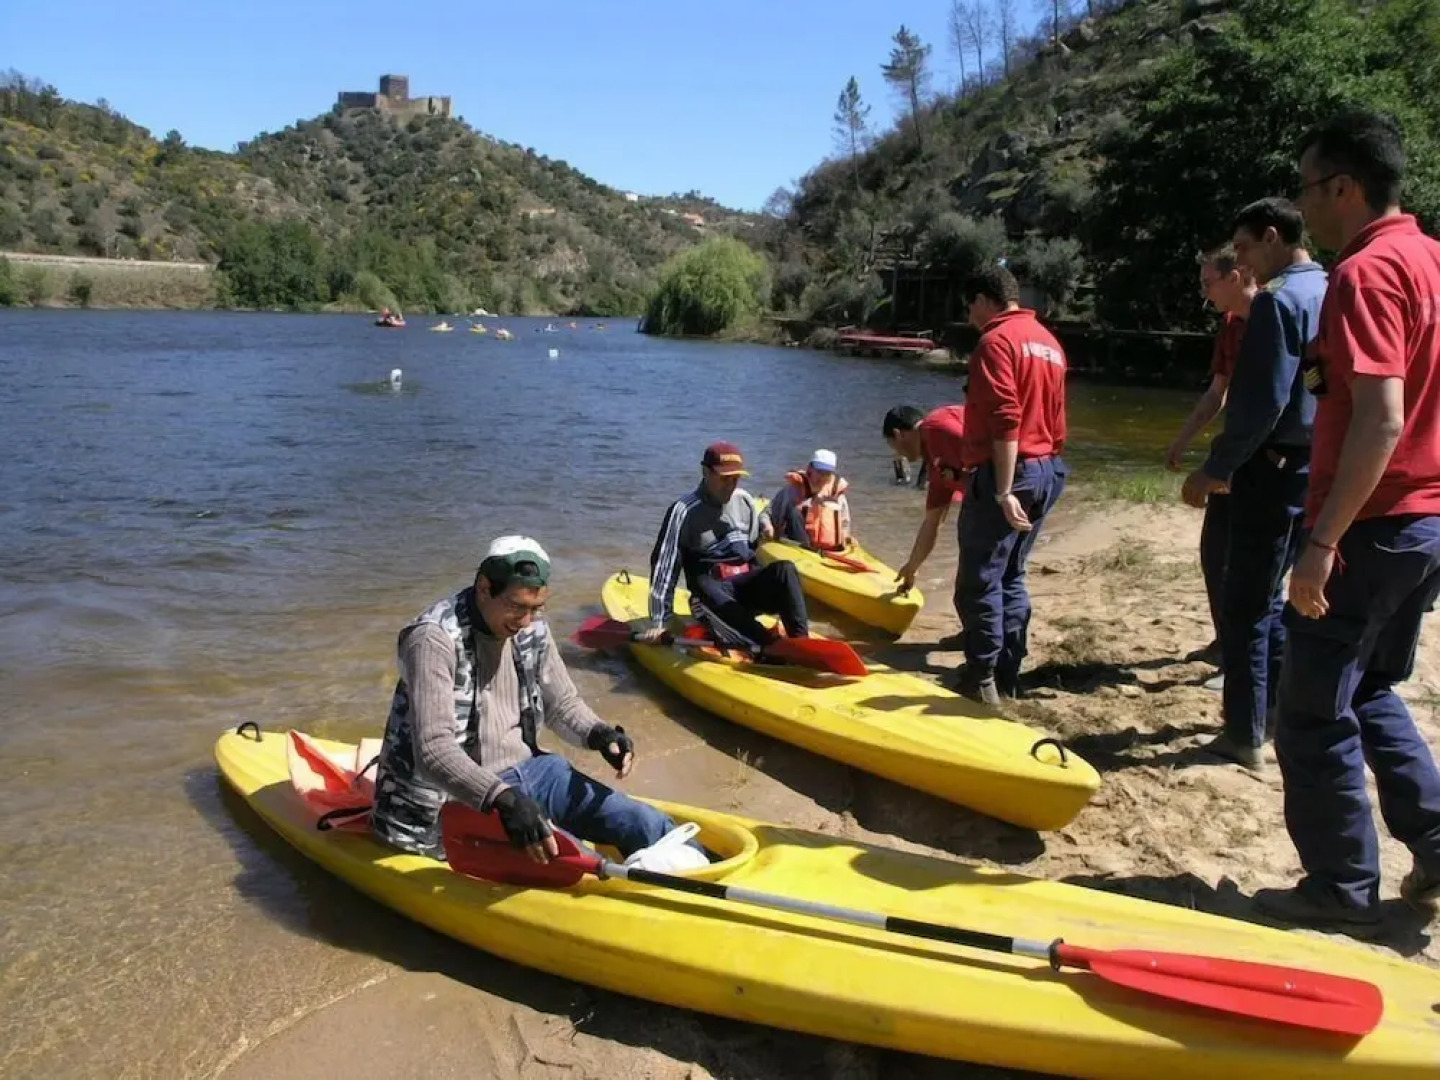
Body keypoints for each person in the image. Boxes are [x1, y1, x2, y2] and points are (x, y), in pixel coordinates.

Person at [1253, 109, 1440, 927]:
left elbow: (1380, 417)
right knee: (1367, 689)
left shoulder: (1367, 274)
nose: (1305, 208)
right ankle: (1436, 845)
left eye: (1307, 188)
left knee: (1309, 709)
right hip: (1424, 523)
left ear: (1343, 187)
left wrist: (1323, 540)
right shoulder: (1433, 260)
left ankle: (1340, 889)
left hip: (1369, 523)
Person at [371, 536, 690, 865]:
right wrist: (503, 799)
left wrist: (600, 735)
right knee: (574, 863)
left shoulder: (532, 626)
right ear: (484, 587)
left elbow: (562, 704)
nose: (525, 621)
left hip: (530, 773)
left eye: (536, 608)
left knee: (642, 822)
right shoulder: (432, 640)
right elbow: (433, 750)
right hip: (452, 801)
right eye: (516, 606)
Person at [1181, 198, 1327, 770]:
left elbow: (1262, 401)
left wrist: (1216, 467)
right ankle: (1273, 716)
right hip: (1315, 465)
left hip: (1271, 468)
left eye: (1242, 247)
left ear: (1271, 237)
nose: (1239, 261)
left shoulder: (1279, 301)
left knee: (1246, 604)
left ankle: (1244, 732)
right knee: (1280, 598)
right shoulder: (1331, 288)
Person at [955, 262, 1068, 705]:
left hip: (1011, 471)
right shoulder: (1049, 343)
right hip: (1047, 468)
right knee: (1012, 573)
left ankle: (980, 681)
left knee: (980, 578)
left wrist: (1002, 490)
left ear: (985, 300)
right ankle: (1007, 673)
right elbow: (1056, 420)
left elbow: (1006, 420)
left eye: (970, 306)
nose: (969, 316)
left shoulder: (995, 342)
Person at [1165, 246, 1259, 669]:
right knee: (1214, 552)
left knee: (1249, 566)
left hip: (1264, 460)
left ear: (1234, 276)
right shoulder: (1230, 325)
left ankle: (1246, 655)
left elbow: (1277, 403)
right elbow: (1217, 392)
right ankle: (1225, 642)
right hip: (1231, 454)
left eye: (1208, 283)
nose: (1204, 294)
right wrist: (1182, 440)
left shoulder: (1276, 318)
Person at [641, 441, 809, 649]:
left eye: (735, 479)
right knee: (703, 583)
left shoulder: (745, 502)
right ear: (705, 472)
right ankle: (768, 644)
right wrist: (659, 622)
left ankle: (802, 644)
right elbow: (664, 570)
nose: (731, 485)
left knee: (786, 569)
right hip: (708, 600)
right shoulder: (683, 511)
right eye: (724, 479)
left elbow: (753, 554)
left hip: (743, 595)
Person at [883, 403, 967, 617]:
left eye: (893, 446)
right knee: (973, 577)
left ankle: (985, 641)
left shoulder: (937, 427)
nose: (898, 454)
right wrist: (912, 568)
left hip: (1013, 490)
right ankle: (980, 635)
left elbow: (991, 448)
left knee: (980, 575)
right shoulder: (935, 464)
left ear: (898, 434)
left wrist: (1005, 497)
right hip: (997, 498)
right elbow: (933, 521)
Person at [759, 449, 852, 552]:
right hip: (797, 546)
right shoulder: (792, 490)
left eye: (827, 474)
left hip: (830, 550)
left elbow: (845, 523)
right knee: (794, 511)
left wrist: (846, 537)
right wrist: (767, 526)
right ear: (810, 469)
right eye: (819, 472)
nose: (822, 478)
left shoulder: (837, 495)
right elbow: (766, 514)